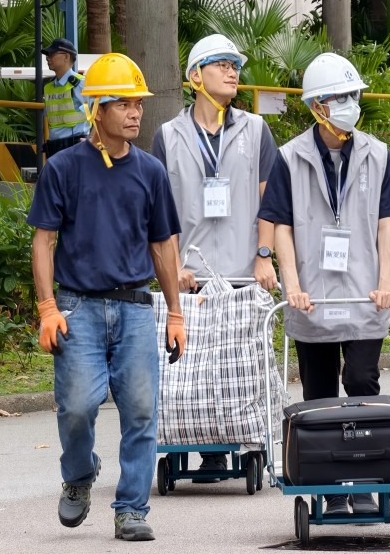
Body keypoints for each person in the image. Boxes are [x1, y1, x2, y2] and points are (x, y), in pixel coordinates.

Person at [27, 53, 185, 541]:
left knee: (140, 410)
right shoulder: (64, 169)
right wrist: (48, 307)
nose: (135, 112)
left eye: (137, 103)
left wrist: (175, 312)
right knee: (76, 408)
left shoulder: (151, 171)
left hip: (135, 306)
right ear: (97, 109)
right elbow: (43, 240)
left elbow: (163, 245)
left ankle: (131, 509)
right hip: (79, 308)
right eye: (123, 104)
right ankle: (78, 477)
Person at [258, 52, 390, 515]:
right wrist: (292, 285)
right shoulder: (289, 158)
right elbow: (280, 224)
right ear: (317, 106)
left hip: (365, 293)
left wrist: (385, 282)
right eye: (339, 97)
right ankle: (330, 484)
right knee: (319, 394)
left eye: (353, 95)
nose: (349, 104)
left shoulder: (377, 154)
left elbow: (387, 223)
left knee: (362, 379)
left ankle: (364, 476)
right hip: (313, 298)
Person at [151, 33, 279, 483]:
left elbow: (270, 202)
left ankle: (238, 441)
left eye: (235, 65)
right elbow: (159, 213)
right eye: (221, 63)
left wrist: (265, 256)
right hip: (190, 276)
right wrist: (172, 269)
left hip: (243, 274)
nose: (232, 71)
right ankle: (201, 446)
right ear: (194, 77)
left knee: (239, 374)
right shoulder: (168, 135)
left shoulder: (256, 130)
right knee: (191, 378)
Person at [41, 38, 90, 158]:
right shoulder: (49, 87)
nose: (48, 58)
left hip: (75, 148)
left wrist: (92, 140)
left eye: (52, 54)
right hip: (54, 149)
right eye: (47, 55)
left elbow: (101, 110)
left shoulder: (80, 83)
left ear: (66, 57)